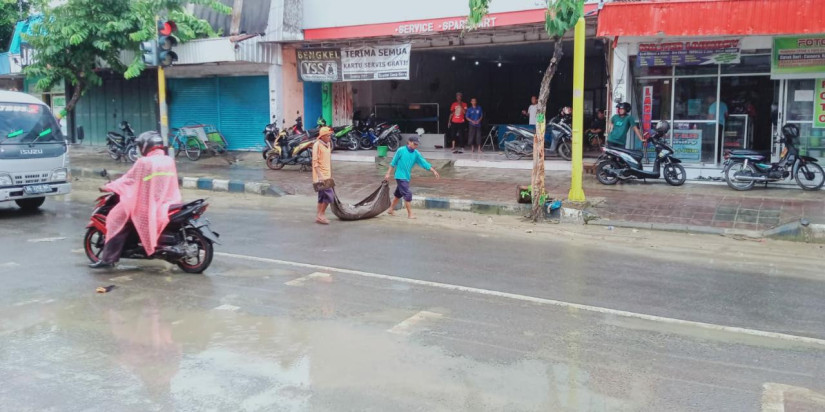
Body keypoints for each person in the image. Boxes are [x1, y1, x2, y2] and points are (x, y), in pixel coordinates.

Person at [90, 132, 182, 269]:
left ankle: (108, 259)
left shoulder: (144, 162)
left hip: (149, 204)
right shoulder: (168, 160)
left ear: (146, 146)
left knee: (116, 219)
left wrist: (108, 186)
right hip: (167, 202)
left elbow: (129, 180)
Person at [384, 135, 440, 219]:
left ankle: (391, 209)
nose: (416, 146)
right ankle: (410, 214)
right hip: (399, 175)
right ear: (409, 142)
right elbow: (393, 162)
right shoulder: (401, 150)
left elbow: (424, 162)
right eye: (414, 144)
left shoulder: (416, 153)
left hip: (406, 176)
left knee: (398, 194)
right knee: (407, 193)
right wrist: (388, 173)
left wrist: (433, 170)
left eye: (417, 144)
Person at [312, 126, 334, 225]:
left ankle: (319, 216)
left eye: (330, 135)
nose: (330, 137)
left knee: (321, 197)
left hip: (327, 175)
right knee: (330, 197)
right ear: (323, 136)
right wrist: (320, 176)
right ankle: (321, 214)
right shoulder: (317, 145)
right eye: (328, 135)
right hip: (320, 176)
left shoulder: (328, 144)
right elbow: (315, 162)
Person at [707, 95, 729, 161]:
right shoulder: (724, 104)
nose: (708, 100)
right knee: (719, 141)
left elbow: (711, 117)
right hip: (721, 124)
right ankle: (718, 157)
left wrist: (706, 117)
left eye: (709, 98)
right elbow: (726, 115)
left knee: (712, 142)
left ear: (713, 98)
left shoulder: (713, 105)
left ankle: (713, 157)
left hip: (713, 125)